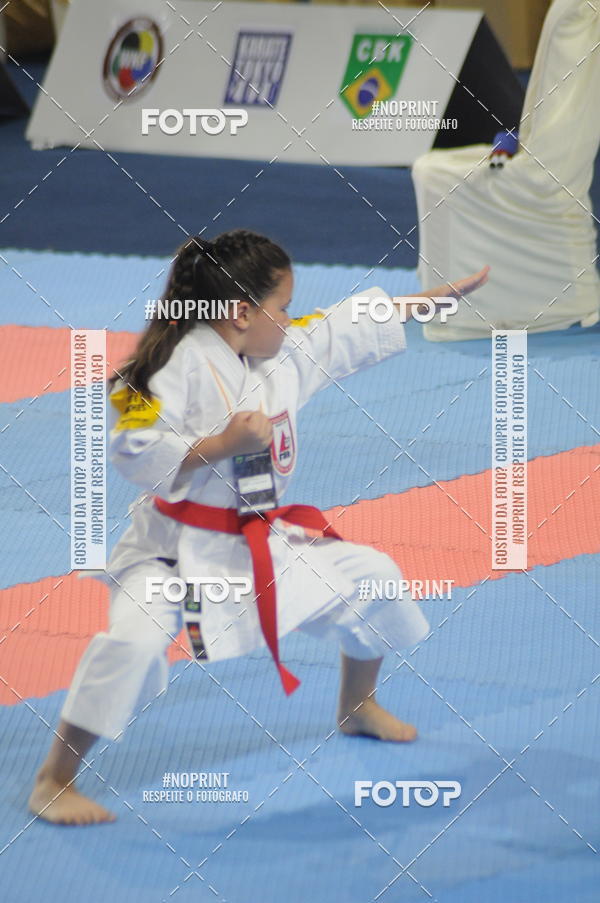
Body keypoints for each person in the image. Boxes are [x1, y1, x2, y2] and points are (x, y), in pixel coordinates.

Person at [29, 229, 489, 825]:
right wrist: (223, 442)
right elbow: (129, 446)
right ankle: (53, 779)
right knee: (132, 644)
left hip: (255, 541)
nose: (291, 319)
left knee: (373, 576)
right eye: (282, 307)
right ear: (241, 313)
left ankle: (357, 705)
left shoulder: (278, 352)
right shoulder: (158, 366)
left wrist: (428, 300)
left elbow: (338, 326)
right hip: (168, 550)